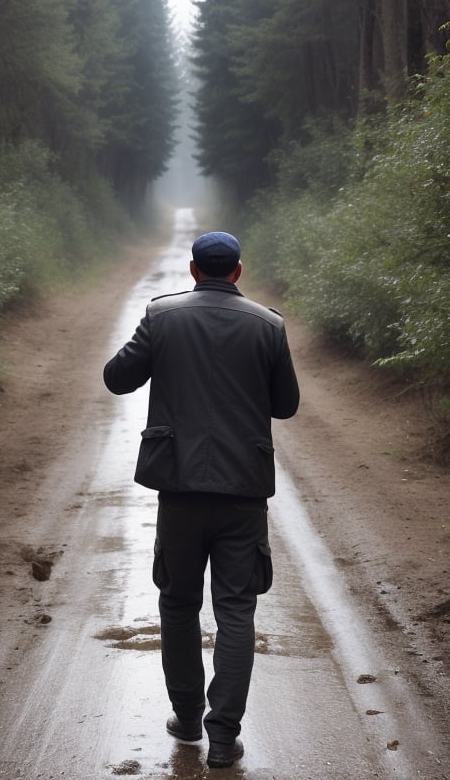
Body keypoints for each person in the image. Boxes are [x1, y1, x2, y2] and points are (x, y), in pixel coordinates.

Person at [103, 230, 299, 769]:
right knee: (236, 609)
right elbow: (286, 405)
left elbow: (117, 379)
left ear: (193, 270)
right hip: (243, 495)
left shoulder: (162, 317)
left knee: (179, 604)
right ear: (237, 271)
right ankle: (222, 737)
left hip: (180, 491)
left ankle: (187, 718)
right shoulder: (269, 326)